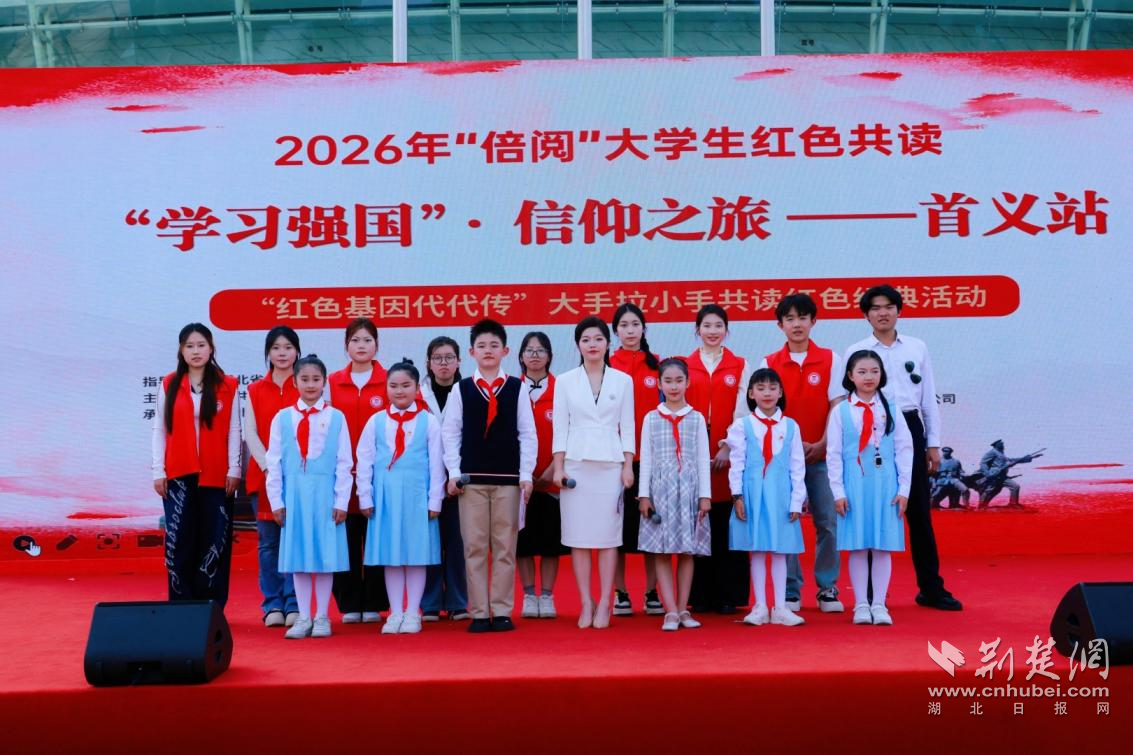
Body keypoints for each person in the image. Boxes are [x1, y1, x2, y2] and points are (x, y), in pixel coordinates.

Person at [846, 285, 962, 612]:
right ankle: (871, 595)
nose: (882, 313)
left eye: (888, 307)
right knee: (873, 510)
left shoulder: (916, 347)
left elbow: (928, 399)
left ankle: (931, 588)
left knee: (919, 512)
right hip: (872, 426)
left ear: (899, 310)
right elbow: (849, 398)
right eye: (875, 308)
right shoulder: (857, 350)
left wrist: (933, 443)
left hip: (910, 425)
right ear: (866, 315)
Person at [441, 319, 537, 633]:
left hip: (508, 479)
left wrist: (526, 474)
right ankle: (480, 612)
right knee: (475, 547)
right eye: (481, 346)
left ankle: (503, 610)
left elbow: (528, 433)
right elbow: (450, 433)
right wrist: (454, 472)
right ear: (471, 352)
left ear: (505, 351)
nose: (488, 351)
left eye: (494, 345)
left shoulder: (517, 388)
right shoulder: (462, 389)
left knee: (505, 547)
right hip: (471, 480)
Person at [760, 293, 845, 614]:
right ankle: (790, 589)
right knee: (788, 521)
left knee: (828, 522)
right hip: (783, 461)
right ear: (780, 325)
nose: (797, 324)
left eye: (803, 318)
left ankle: (827, 587)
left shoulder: (830, 359)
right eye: (790, 319)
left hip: (822, 456)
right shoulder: (769, 363)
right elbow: (765, 411)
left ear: (813, 321)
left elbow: (837, 407)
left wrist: (823, 443)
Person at [552, 316, 636, 629]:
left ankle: (605, 602)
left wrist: (628, 465)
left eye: (598, 339)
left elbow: (628, 425)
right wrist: (558, 467)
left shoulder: (622, 380)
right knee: (579, 537)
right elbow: (560, 427)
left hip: (611, 465)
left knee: (608, 537)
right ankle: (585, 601)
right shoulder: (565, 381)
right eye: (586, 340)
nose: (592, 345)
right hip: (576, 465)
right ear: (578, 345)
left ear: (608, 343)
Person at [151, 323, 241, 606]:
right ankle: (181, 605)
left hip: (217, 475)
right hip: (179, 473)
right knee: (180, 539)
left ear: (211, 348)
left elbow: (235, 430)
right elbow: (159, 428)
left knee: (214, 540)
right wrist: (158, 470)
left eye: (201, 345)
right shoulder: (169, 383)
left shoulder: (228, 385)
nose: (196, 351)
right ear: (181, 350)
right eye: (189, 346)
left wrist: (234, 468)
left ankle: (211, 606)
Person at [265, 354, 353, 639]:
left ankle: (322, 616)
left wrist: (341, 501)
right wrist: (277, 501)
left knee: (325, 557)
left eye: (316, 379)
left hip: (326, 495)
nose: (311, 385)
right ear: (295, 382)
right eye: (305, 379)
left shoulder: (336, 417)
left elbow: (344, 463)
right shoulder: (282, 418)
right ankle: (303, 616)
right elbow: (274, 462)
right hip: (295, 497)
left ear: (325, 382)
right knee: (299, 557)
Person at [356, 360, 446, 635]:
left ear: (417, 388)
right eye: (393, 386)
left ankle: (412, 612)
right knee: (391, 554)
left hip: (417, 495)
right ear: (386, 388)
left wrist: (435, 499)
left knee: (416, 554)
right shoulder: (376, 421)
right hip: (386, 497)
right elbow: (364, 460)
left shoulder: (429, 421)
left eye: (406, 385)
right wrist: (365, 496)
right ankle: (395, 612)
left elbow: (436, 463)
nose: (399, 391)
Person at [827, 351, 912, 626]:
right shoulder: (841, 411)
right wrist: (838, 492)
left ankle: (879, 604)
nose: (868, 377)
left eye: (874, 371)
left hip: (886, 484)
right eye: (862, 372)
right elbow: (833, 454)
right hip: (854, 484)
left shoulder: (892, 409)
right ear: (850, 376)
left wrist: (904, 489)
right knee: (859, 546)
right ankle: (861, 604)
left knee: (882, 545)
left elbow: (904, 449)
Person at [727, 368, 807, 627]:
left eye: (773, 388)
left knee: (781, 551)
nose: (767, 393)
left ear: (781, 392)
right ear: (751, 393)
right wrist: (737, 495)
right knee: (758, 550)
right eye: (760, 388)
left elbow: (797, 467)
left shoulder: (791, 426)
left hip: (781, 495)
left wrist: (797, 500)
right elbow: (737, 464)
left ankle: (780, 606)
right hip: (753, 495)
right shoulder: (743, 426)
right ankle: (760, 605)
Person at [685, 304, 751, 614]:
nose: (712, 331)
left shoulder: (740, 365)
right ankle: (700, 595)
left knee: (727, 521)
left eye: (718, 326)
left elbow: (743, 411)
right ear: (697, 329)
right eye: (707, 326)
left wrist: (727, 446)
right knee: (699, 520)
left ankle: (728, 594)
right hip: (693, 452)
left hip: (729, 452)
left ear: (727, 329)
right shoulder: (686, 365)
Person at [636, 358, 711, 631]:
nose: (674, 386)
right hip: (661, 492)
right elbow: (646, 459)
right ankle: (669, 611)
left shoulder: (697, 418)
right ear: (659, 384)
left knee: (687, 552)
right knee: (662, 550)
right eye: (668, 381)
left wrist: (705, 496)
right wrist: (644, 495)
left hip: (689, 491)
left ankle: (682, 608)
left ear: (688, 382)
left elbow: (703, 459)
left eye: (679, 380)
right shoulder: (651, 418)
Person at [326, 318, 391, 624]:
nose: (361, 346)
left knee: (376, 538)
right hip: (341, 476)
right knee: (346, 539)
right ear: (346, 346)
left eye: (367, 340)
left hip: (381, 475)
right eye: (355, 340)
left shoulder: (390, 380)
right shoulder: (332, 382)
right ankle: (349, 602)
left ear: (376, 345)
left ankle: (376, 602)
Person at [609, 303, 664, 617]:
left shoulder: (657, 365)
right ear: (615, 330)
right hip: (614, 459)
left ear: (643, 328)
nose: (630, 330)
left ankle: (652, 591)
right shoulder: (607, 365)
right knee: (616, 528)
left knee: (651, 524)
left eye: (635, 324)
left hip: (651, 459)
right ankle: (620, 592)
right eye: (624, 325)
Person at [245, 326, 302, 628]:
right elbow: (250, 433)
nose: (282, 353)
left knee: (294, 540)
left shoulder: (305, 384)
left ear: (297, 351)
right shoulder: (255, 389)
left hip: (299, 476)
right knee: (268, 543)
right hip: (264, 475)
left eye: (288, 347)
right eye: (276, 348)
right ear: (268, 352)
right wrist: (269, 466)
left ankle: (294, 602)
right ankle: (272, 604)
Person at [515, 332, 567, 619]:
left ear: (549, 356)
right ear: (521, 356)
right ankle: (528, 595)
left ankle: (547, 596)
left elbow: (571, 431)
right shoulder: (511, 389)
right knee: (522, 543)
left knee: (550, 543)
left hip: (552, 479)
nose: (534, 355)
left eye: (540, 350)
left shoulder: (563, 389)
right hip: (520, 481)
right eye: (529, 350)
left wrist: (553, 468)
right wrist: (522, 471)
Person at [419, 336, 470, 622]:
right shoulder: (418, 395)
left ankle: (458, 602)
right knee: (428, 541)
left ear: (459, 361)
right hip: (425, 481)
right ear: (428, 363)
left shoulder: (468, 392)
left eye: (449, 358)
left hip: (459, 479)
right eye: (437, 358)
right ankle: (429, 602)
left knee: (457, 542)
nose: (443, 363)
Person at [977, 440, 1034, 508]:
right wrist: (987, 473)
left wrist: (1025, 459)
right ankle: (981, 506)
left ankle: (1013, 504)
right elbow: (983, 463)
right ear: (996, 444)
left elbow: (1010, 460)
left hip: (1003, 476)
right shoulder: (992, 452)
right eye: (1001, 444)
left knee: (1015, 486)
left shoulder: (1001, 453)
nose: (1003, 445)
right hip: (995, 476)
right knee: (989, 490)